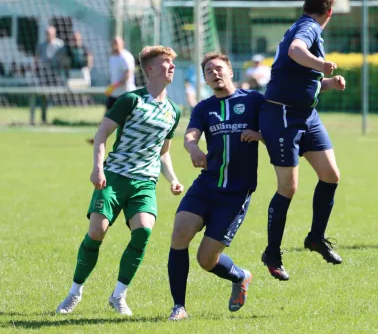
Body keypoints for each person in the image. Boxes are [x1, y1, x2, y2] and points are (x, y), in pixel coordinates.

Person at [56, 46, 184, 315]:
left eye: (172, 63)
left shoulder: (173, 110)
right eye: (165, 63)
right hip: (114, 177)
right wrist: (97, 169)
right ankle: (74, 292)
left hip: (145, 183)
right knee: (96, 233)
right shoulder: (130, 100)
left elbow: (164, 152)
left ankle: (118, 296)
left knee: (143, 232)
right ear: (149, 69)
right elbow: (102, 134)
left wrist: (172, 178)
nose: (171, 67)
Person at [167, 52, 264, 320]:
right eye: (209, 70)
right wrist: (192, 147)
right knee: (179, 234)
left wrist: (260, 135)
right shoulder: (204, 108)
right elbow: (190, 135)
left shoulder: (253, 100)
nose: (215, 73)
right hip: (206, 186)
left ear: (231, 72)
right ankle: (179, 307)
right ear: (206, 78)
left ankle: (240, 276)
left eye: (219, 68)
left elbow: (278, 130)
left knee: (206, 260)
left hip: (235, 194)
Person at [259, 0, 347, 281]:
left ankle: (315, 238)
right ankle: (272, 252)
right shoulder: (308, 28)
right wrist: (321, 64)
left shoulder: (307, 26)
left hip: (306, 115)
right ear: (329, 12)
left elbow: (296, 78)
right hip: (283, 115)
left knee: (331, 175)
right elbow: (297, 51)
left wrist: (326, 83)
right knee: (288, 187)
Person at [87, 37, 136, 144]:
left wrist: (115, 85)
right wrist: (112, 87)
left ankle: (133, 140)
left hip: (126, 93)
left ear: (122, 44)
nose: (115, 45)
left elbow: (127, 74)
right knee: (107, 116)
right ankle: (98, 137)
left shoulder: (125, 57)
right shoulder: (112, 57)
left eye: (117, 43)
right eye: (113, 43)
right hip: (115, 93)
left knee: (130, 120)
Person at [31, 26, 64, 125]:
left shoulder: (60, 44)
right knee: (44, 96)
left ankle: (60, 119)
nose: (47, 35)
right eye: (46, 33)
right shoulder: (41, 45)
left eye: (49, 33)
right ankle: (43, 118)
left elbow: (64, 58)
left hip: (56, 73)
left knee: (57, 95)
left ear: (54, 34)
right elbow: (36, 58)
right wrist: (36, 69)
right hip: (45, 73)